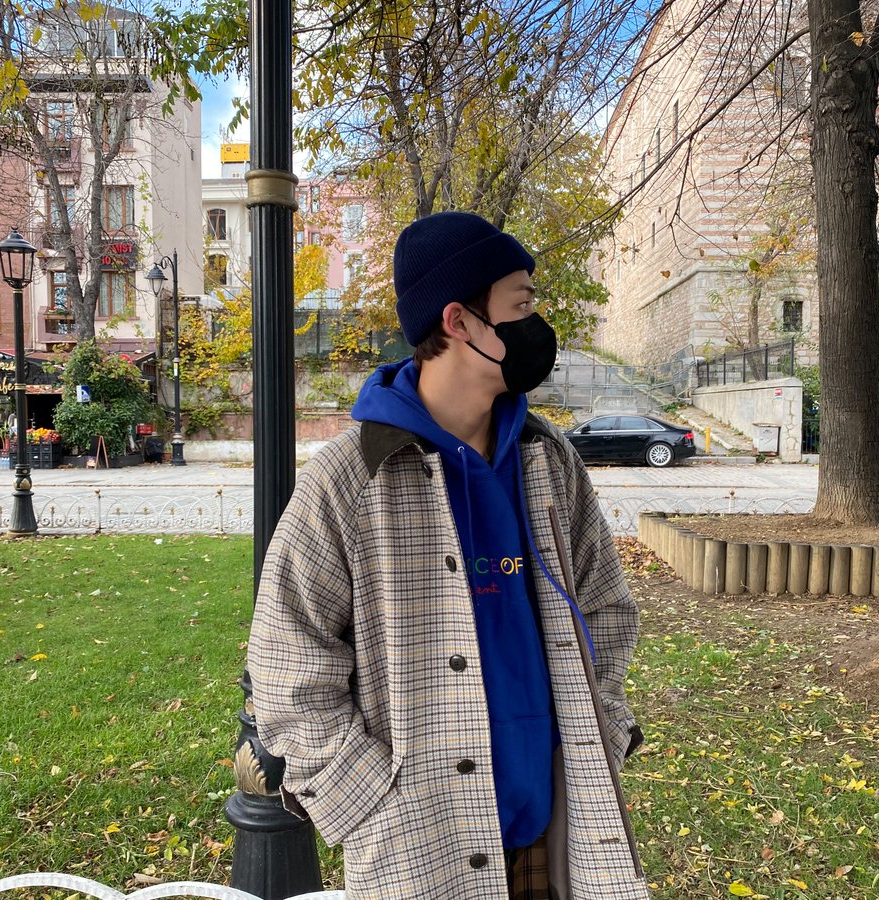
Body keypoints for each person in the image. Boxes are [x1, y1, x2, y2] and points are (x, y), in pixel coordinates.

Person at [248, 211, 648, 899]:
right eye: (520, 306)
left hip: (557, 835)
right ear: (459, 321)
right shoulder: (348, 478)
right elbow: (287, 668)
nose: (536, 325)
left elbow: (607, 610)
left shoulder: (550, 460)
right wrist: (369, 804)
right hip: (420, 849)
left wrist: (602, 731)